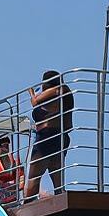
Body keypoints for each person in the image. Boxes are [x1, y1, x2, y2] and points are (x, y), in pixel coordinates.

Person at [25, 70, 71, 198]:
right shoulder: (63, 93)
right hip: (59, 136)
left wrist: (31, 92)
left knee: (34, 175)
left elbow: (35, 102)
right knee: (55, 172)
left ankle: (28, 203)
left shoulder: (56, 90)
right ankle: (60, 197)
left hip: (47, 136)